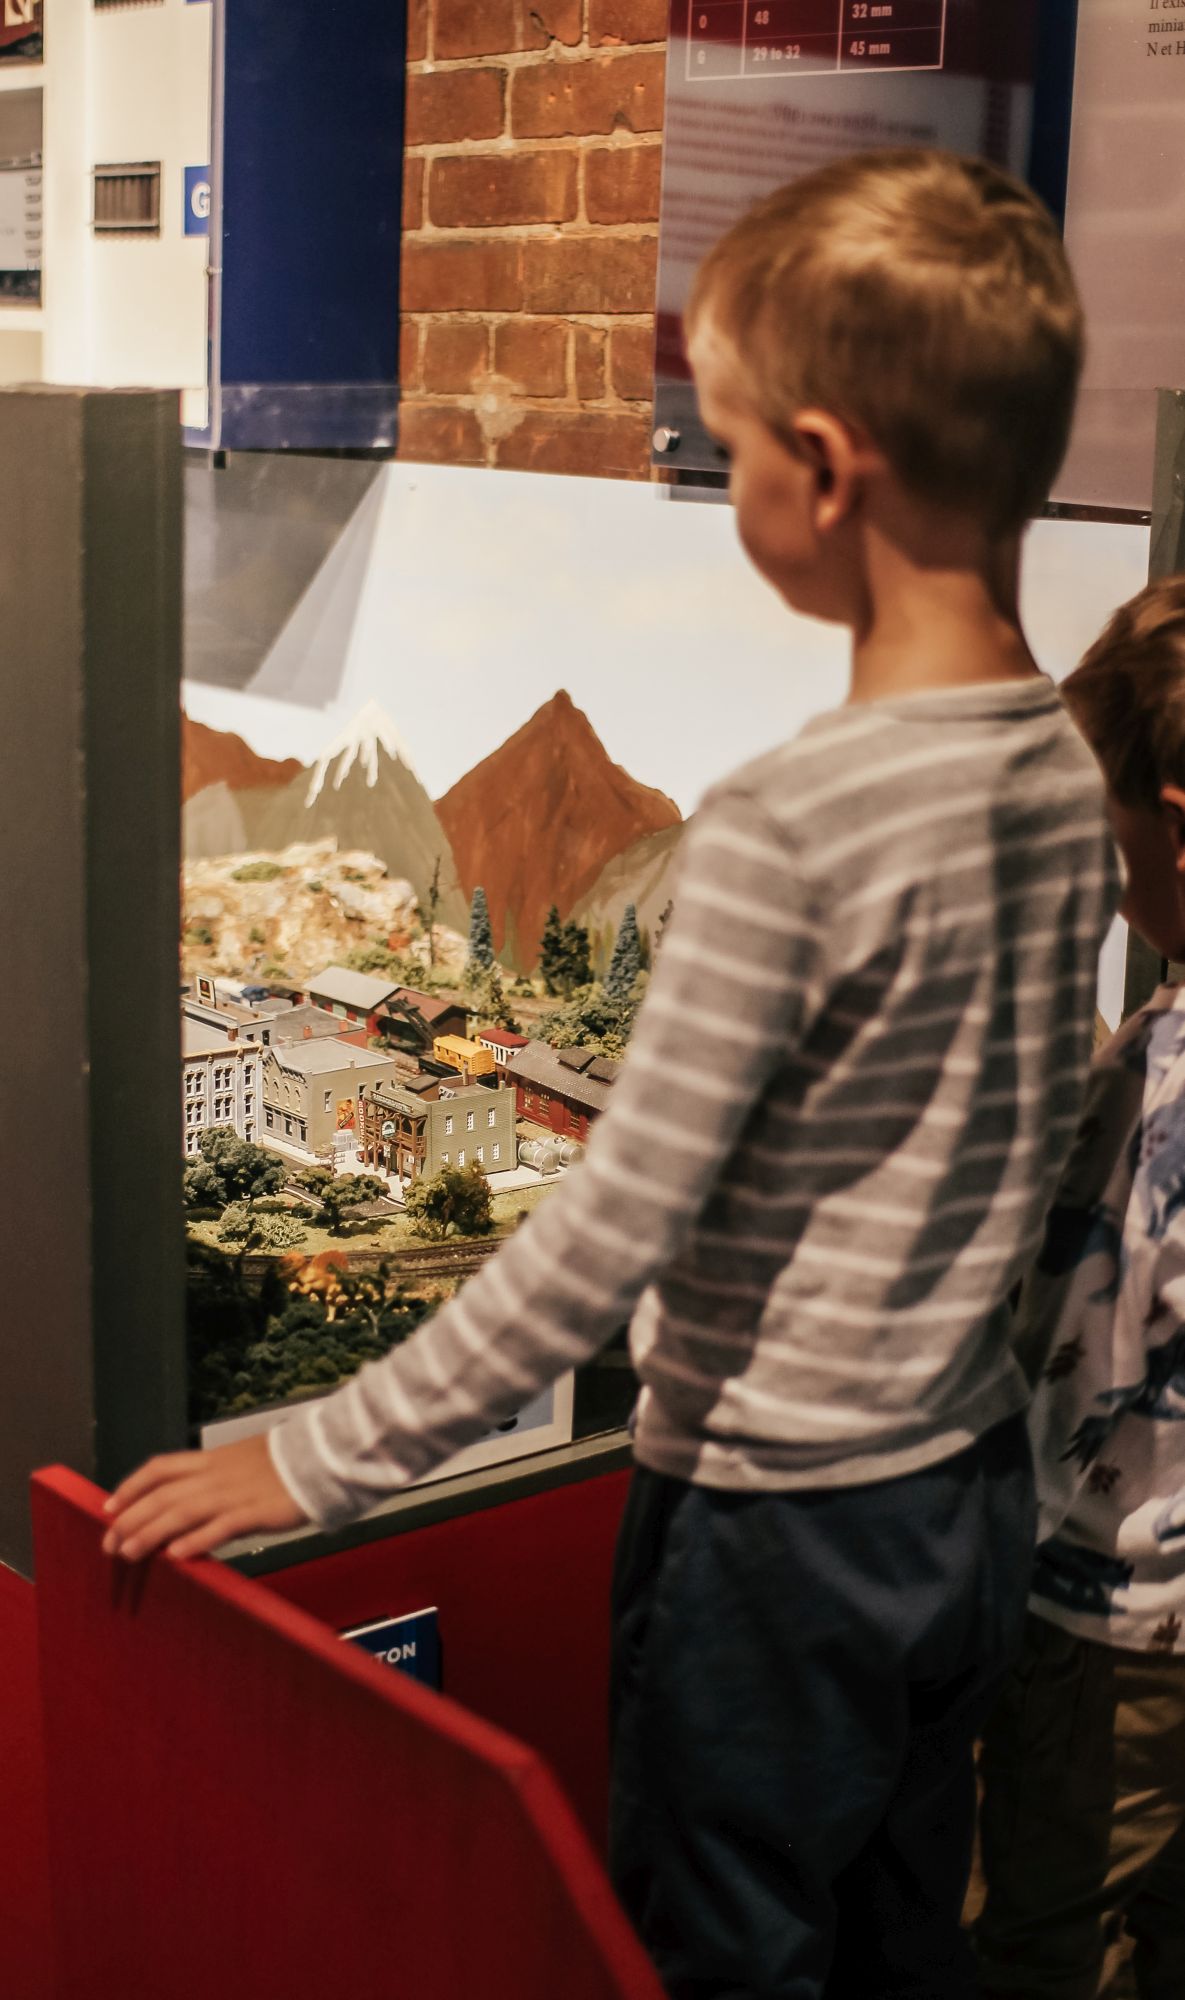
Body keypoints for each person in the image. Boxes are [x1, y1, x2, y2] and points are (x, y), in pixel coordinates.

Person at [104, 149, 1120, 1998]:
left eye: (724, 449)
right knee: (907, 1939)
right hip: (961, 1496)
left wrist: (313, 1463)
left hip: (771, 1538)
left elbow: (605, 1234)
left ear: (826, 471)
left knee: (721, 1951)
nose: (722, 484)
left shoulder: (786, 824)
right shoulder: (1057, 774)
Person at [976, 579, 1185, 2000]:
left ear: (1172, 825)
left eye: (1116, 844)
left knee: (1030, 1947)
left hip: (1111, 1638)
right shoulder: (1157, 1032)